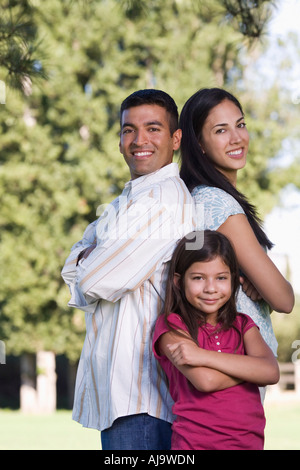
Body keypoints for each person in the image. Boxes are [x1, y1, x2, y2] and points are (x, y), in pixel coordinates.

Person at [61, 89, 195, 450]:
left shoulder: (162, 199)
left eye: (153, 128)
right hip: (124, 398)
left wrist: (91, 257)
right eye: (128, 130)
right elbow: (73, 265)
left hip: (143, 400)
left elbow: (91, 278)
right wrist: (92, 257)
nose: (139, 141)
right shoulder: (127, 201)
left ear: (176, 138)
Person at [179, 88, 294, 374]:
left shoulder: (195, 197)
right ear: (199, 144)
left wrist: (250, 278)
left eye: (240, 124)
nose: (237, 138)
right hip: (236, 367)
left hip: (230, 363)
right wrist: (263, 285)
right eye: (221, 130)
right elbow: (284, 299)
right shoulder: (217, 203)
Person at [153, 230, 280, 450]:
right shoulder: (172, 325)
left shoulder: (243, 324)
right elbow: (206, 381)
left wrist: (201, 355)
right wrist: (250, 369)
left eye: (221, 278)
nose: (210, 288)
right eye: (198, 278)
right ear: (178, 281)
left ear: (233, 279)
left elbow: (271, 372)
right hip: (194, 447)